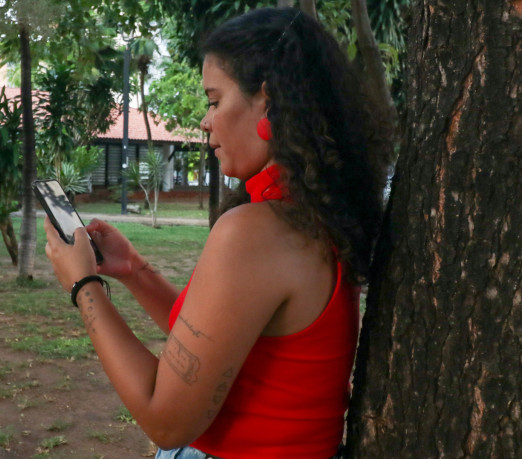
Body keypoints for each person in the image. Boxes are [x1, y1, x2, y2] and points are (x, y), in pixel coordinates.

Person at [43, 7, 389, 459]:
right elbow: (211, 348)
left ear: (268, 101)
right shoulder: (315, 217)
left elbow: (166, 420)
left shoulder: (257, 230)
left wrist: (83, 286)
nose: (206, 121)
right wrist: (135, 271)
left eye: (213, 100)